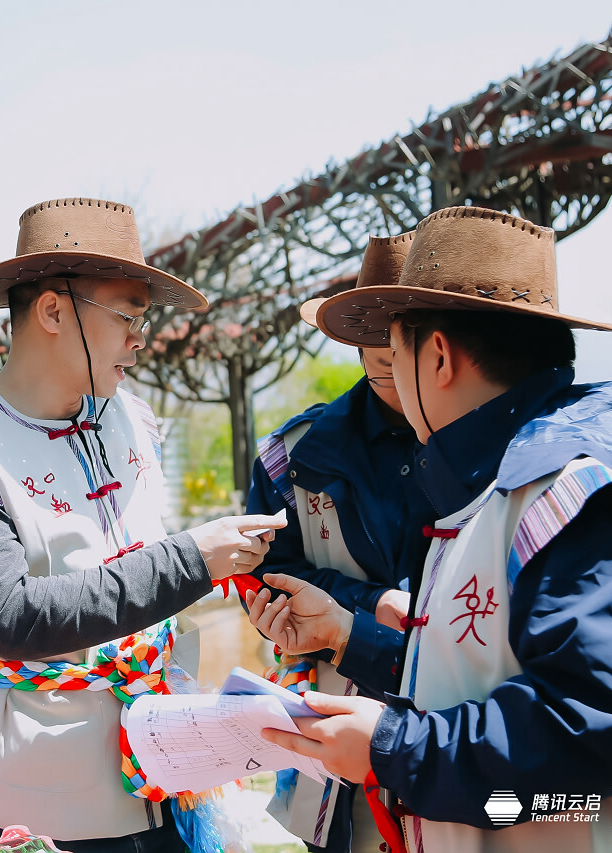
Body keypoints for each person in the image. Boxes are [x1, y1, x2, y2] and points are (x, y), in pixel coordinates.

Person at [247, 206, 612, 852]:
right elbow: (478, 674)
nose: (388, 376)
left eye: (394, 347)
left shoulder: (568, 495)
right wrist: (348, 635)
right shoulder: (499, 491)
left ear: (436, 357)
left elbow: (602, 727)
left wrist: (392, 748)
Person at [0, 197, 286, 853]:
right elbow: (12, 617)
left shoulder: (134, 417)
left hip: (168, 756)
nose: (140, 337)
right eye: (129, 314)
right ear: (53, 311)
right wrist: (191, 559)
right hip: (51, 788)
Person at [245, 233, 427, 853]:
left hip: (459, 722)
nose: (388, 363)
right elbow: (269, 573)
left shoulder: (505, 453)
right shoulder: (291, 457)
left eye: (399, 338)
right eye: (367, 333)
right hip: (334, 729)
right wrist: (364, 603)